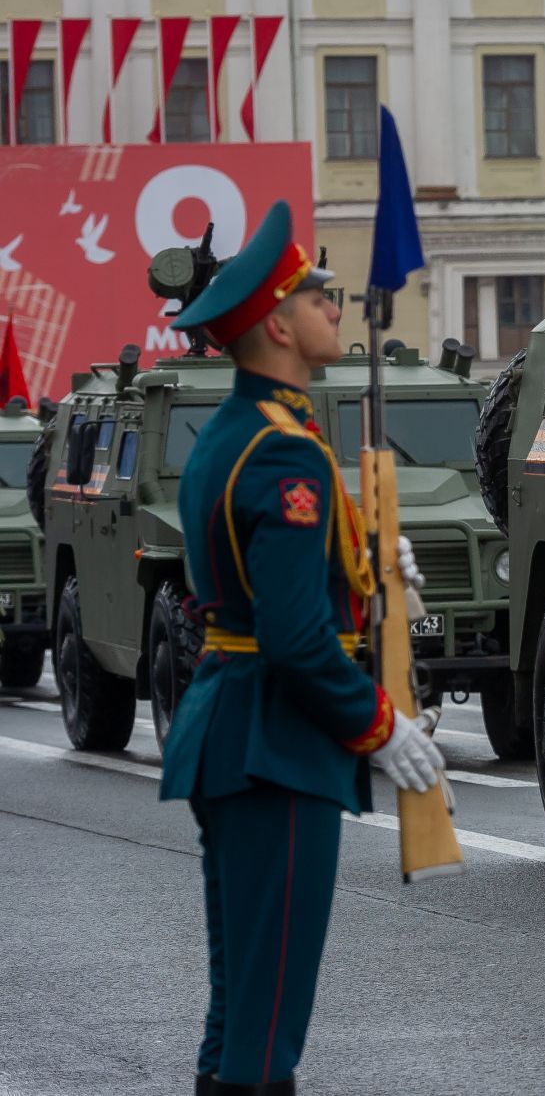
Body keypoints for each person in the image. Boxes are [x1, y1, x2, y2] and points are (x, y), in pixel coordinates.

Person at [159, 201, 445, 1095]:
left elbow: (263, 585)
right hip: (273, 746)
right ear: (277, 324)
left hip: (237, 729)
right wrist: (378, 725)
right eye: (317, 294)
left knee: (239, 1006)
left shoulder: (246, 435)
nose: (334, 305)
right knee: (268, 1015)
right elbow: (290, 634)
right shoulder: (284, 456)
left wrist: (360, 563)